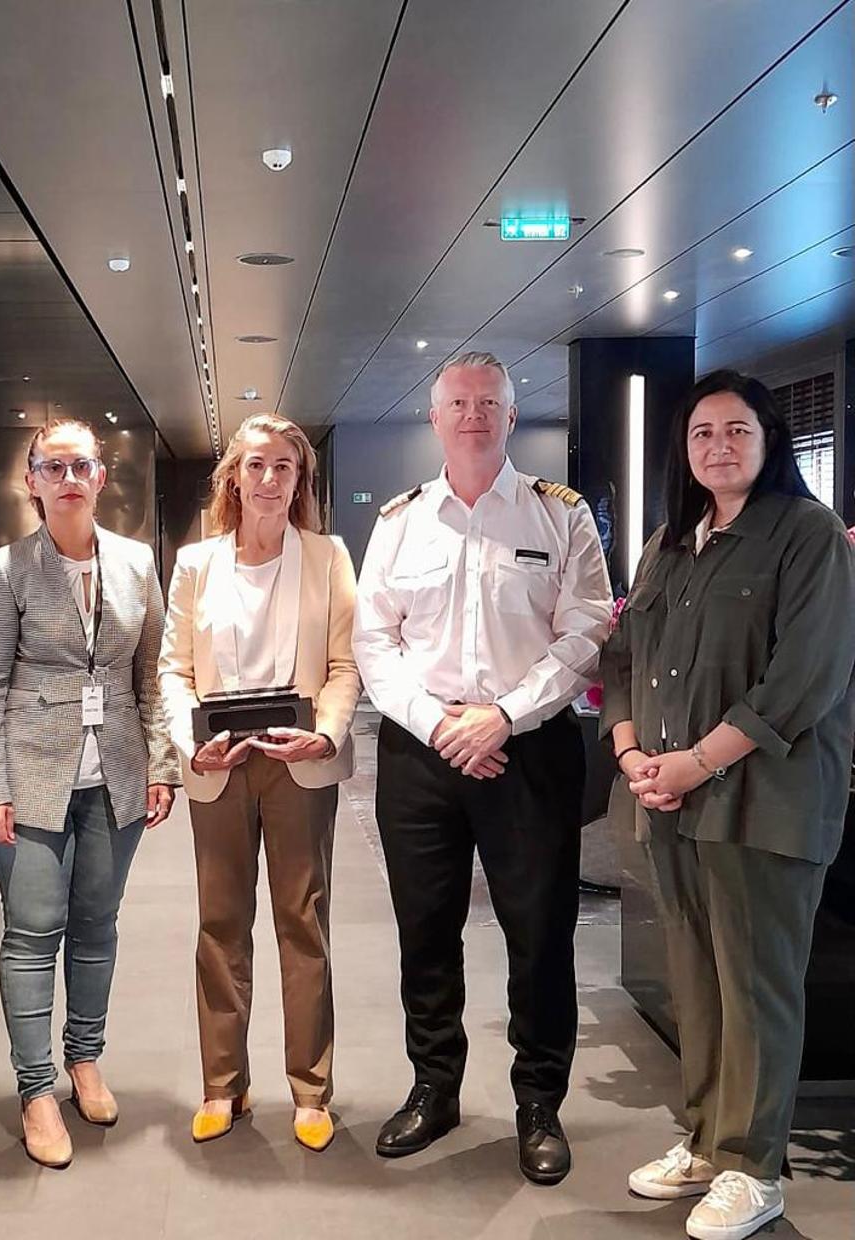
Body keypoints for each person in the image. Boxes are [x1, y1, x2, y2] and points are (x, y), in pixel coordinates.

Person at [601, 369, 855, 1240]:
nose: (719, 446)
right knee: (699, 982)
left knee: (757, 988)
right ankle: (708, 1141)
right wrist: (633, 753)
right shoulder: (670, 543)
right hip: (671, 803)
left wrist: (694, 763)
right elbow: (623, 657)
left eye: (737, 430)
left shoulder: (808, 535)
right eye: (702, 433)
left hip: (764, 806)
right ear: (683, 449)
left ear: (769, 439)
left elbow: (805, 679)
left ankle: (755, 1168)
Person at [353, 352, 612, 1184]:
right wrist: (441, 725)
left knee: (540, 936)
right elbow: (373, 641)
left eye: (488, 402)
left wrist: (503, 715)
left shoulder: (559, 515)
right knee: (426, 931)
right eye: (458, 402)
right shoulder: (400, 521)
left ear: (510, 415)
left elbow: (585, 631)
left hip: (528, 748)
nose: (473, 414)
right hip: (422, 751)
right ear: (434, 418)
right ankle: (434, 1088)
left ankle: (539, 1102)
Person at [0, 419, 179, 1169]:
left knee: (97, 925)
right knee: (32, 932)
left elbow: (152, 676)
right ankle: (35, 1090)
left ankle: (85, 1059)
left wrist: (161, 765)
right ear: (32, 481)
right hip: (29, 777)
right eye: (52, 467)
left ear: (100, 477)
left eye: (80, 465)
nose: (68, 479)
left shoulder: (136, 563)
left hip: (116, 774)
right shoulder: (5, 570)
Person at [159, 413, 360, 1153]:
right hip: (219, 764)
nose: (269, 479)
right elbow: (174, 670)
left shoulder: (328, 557)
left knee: (303, 922)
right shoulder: (195, 563)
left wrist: (327, 733)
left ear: (299, 478)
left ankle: (311, 1090)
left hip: (299, 761)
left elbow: (344, 665)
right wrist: (192, 744)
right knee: (220, 924)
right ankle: (223, 1085)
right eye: (255, 465)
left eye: (283, 466)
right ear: (234, 479)